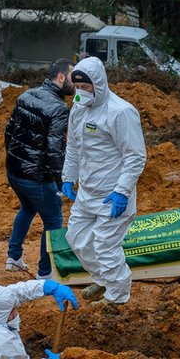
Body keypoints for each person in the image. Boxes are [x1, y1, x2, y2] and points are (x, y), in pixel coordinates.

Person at [61, 57, 146, 306]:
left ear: (98, 83)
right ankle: (102, 279)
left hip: (112, 194)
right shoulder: (78, 108)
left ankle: (117, 298)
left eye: (85, 87)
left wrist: (122, 191)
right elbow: (74, 147)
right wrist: (68, 177)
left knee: (106, 246)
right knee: (76, 237)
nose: (81, 92)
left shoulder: (120, 112)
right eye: (77, 87)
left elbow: (135, 155)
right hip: (88, 191)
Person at [3, 59, 74, 280]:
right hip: (37, 178)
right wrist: (62, 184)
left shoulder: (27, 95)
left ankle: (13, 258)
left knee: (27, 208)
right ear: (61, 77)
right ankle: (46, 272)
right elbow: (55, 152)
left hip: (15, 172)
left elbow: (9, 131)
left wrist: (16, 160)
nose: (77, 82)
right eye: (74, 77)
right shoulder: (59, 108)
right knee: (53, 221)